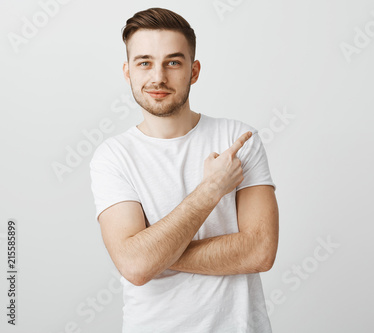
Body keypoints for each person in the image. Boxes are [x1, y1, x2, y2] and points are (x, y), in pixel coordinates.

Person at [89, 7, 279, 333]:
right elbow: (134, 266)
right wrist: (211, 189)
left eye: (173, 62)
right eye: (144, 62)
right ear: (128, 72)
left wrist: (152, 254)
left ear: (194, 71)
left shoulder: (238, 140)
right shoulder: (112, 157)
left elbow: (260, 252)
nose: (158, 77)